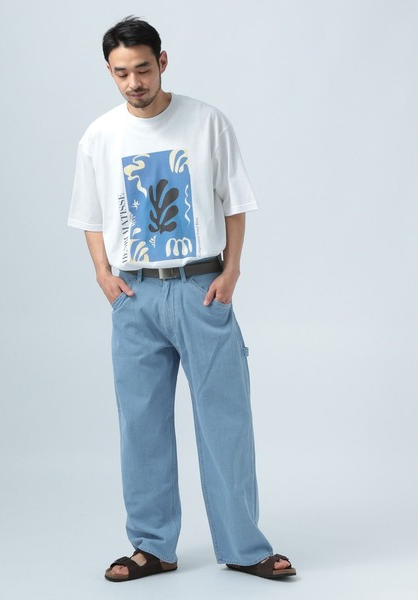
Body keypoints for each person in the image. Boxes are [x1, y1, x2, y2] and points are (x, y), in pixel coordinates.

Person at [68, 16, 296, 583]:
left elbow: (234, 202)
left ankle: (244, 546)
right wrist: (102, 275)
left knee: (225, 420)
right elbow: (90, 214)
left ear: (162, 62)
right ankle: (152, 546)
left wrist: (232, 270)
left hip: (201, 288)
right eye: (121, 73)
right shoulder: (100, 136)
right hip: (136, 294)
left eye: (143, 69)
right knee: (140, 424)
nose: (134, 83)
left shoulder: (206, 122)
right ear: (109, 72)